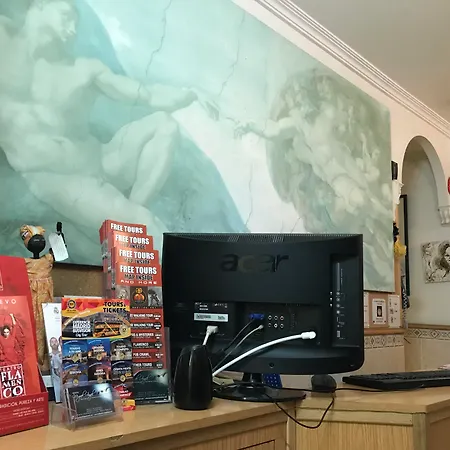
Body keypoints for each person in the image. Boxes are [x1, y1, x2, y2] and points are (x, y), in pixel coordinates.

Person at [0, 0, 218, 251]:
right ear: (40, 4)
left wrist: (191, 94)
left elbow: (146, 95)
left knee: (164, 125)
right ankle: (129, 218)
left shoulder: (83, 70)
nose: (72, 28)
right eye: (66, 15)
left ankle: (130, 212)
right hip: (58, 178)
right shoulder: (4, 39)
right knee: (146, 225)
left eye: (76, 22)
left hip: (101, 159)